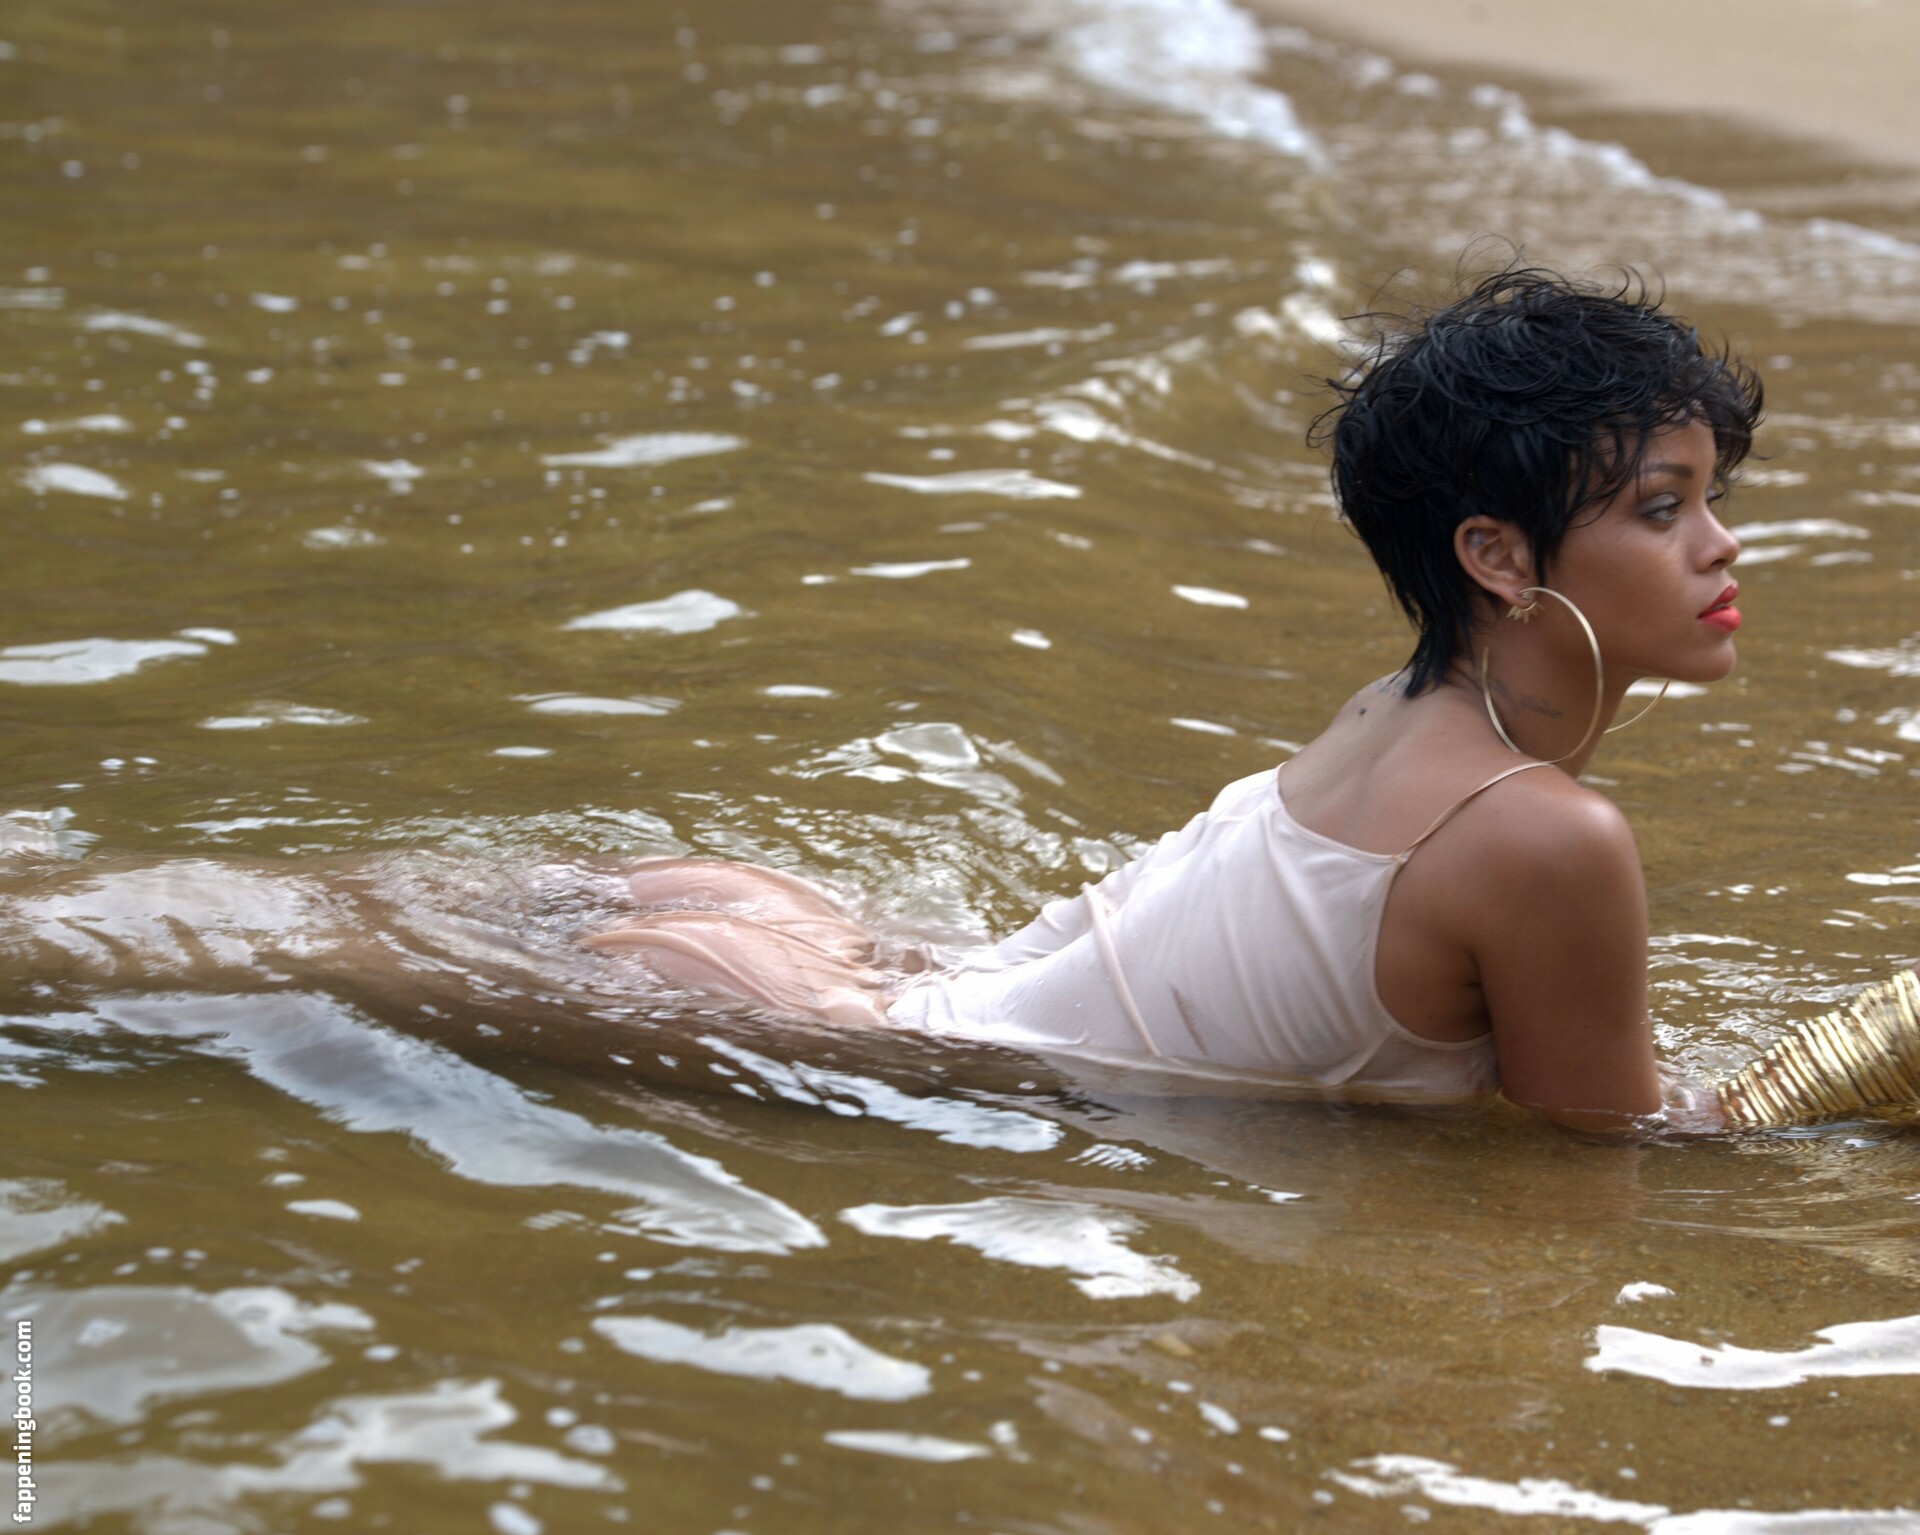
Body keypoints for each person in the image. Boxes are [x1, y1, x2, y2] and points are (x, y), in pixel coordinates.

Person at [585, 266, 1787, 1133]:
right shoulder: (1548, 838)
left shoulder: (1394, 713)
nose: (1721, 544)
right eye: (1661, 507)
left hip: (854, 980)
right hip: (846, 1038)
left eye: (1710, 497)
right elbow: (1606, 1155)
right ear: (1499, 557)